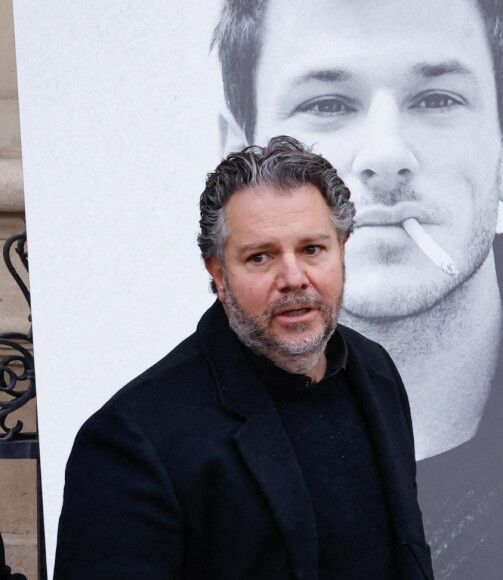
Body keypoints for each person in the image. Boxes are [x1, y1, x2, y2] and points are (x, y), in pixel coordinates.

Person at [213, 1, 503, 578]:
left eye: (437, 99)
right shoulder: (153, 454)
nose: (386, 155)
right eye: (327, 104)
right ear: (240, 165)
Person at [54, 136, 434, 579]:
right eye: (260, 257)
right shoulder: (134, 439)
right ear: (218, 273)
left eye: (312, 249)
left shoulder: (376, 371)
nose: (294, 278)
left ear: (342, 251)